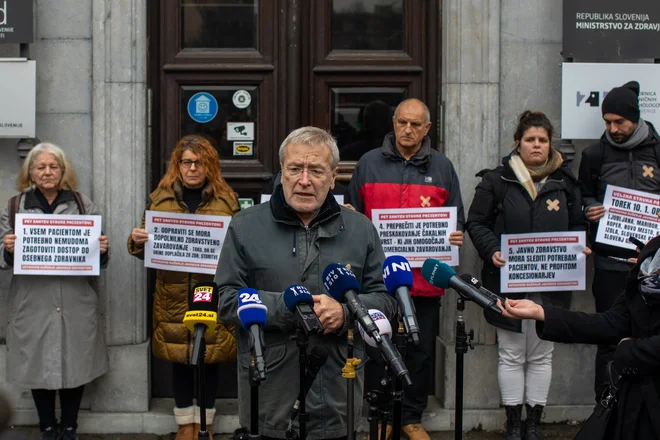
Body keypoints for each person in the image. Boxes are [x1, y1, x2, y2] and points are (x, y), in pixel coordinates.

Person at [215, 126, 397, 440]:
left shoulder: (360, 229)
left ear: (333, 175)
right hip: (269, 390)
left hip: (336, 391)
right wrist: (289, 307)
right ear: (281, 171)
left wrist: (345, 312)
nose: (304, 180)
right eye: (295, 168)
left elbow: (386, 300)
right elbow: (226, 298)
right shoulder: (245, 226)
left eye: (315, 170)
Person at [466, 111, 589, 440]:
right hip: (507, 281)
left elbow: (578, 223)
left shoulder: (566, 181)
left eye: (543, 140)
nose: (537, 145)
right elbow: (476, 222)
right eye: (530, 139)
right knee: (510, 352)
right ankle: (513, 423)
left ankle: (533, 423)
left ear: (550, 144)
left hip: (552, 284)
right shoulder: (496, 180)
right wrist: (491, 249)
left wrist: (580, 246)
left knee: (542, 352)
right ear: (517, 143)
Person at [347, 98, 465, 440]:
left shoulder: (442, 167)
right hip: (378, 282)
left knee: (420, 350)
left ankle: (411, 417)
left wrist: (457, 234)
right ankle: (381, 416)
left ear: (427, 128)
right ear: (393, 124)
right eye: (402, 122)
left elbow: (457, 217)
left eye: (415, 124)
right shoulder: (368, 164)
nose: (408, 129)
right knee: (378, 347)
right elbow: (352, 216)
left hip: (423, 282)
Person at [127, 135, 239, 440]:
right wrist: (136, 241)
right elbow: (143, 247)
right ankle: (184, 423)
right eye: (186, 162)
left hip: (209, 292)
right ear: (178, 165)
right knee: (179, 359)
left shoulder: (227, 200)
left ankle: (206, 421)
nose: (192, 168)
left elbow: (239, 248)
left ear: (209, 165)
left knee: (209, 358)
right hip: (172, 294)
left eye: (199, 162)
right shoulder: (159, 198)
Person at [498, 232, 660, 440]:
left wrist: (629, 352)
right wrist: (541, 313)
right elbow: (612, 323)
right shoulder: (650, 255)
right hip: (638, 408)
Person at [0, 143, 110, 440]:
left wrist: (101, 250)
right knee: (38, 363)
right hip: (32, 300)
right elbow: (1, 257)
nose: (47, 172)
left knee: (75, 361)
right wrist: (7, 249)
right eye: (40, 167)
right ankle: (47, 426)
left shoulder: (82, 203)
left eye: (53, 167)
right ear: (31, 173)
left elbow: (98, 259)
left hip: (75, 298)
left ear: (63, 172)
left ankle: (70, 426)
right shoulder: (14, 206)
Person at [577, 80, 660, 401]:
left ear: (635, 119)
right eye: (607, 122)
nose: (613, 128)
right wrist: (588, 208)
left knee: (650, 336)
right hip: (610, 263)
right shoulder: (594, 154)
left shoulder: (656, 150)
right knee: (609, 335)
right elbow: (583, 193)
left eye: (619, 122)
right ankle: (606, 404)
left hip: (652, 266)